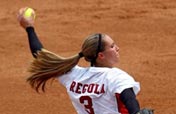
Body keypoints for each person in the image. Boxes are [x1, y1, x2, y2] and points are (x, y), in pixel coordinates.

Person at [17, 7, 154, 114]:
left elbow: (40, 55)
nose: (117, 48)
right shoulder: (116, 77)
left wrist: (29, 28)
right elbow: (128, 99)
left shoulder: (74, 75)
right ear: (100, 55)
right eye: (112, 46)